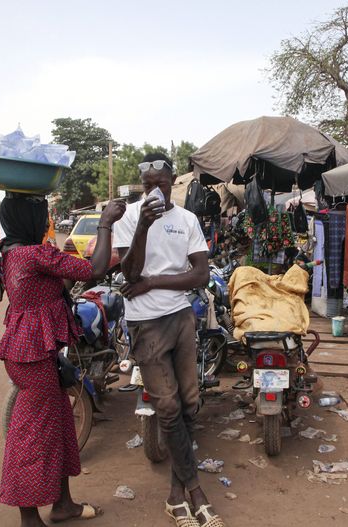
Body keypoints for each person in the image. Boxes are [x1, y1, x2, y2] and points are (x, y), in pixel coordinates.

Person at [0, 192, 126, 527]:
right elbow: (95, 268)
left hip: (33, 351)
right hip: (33, 354)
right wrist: (106, 222)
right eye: (42, 215)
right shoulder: (34, 254)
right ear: (29, 220)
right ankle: (28, 517)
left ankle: (63, 503)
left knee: (61, 425)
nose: (46, 220)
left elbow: (59, 281)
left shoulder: (11, 252)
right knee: (31, 436)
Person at [113, 153, 224, 527]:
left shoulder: (187, 219)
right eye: (147, 186)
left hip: (180, 317)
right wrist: (143, 227)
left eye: (161, 184)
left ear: (172, 181)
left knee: (190, 402)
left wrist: (153, 282)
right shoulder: (130, 217)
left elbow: (200, 275)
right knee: (168, 407)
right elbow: (128, 271)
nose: (154, 191)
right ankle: (194, 490)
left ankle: (176, 495)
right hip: (145, 323)